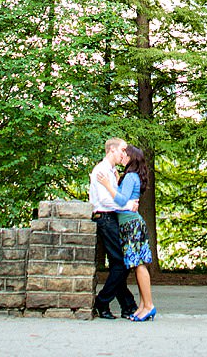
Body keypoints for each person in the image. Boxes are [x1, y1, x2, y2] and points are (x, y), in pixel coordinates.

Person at [97, 144, 156, 321]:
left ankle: (149, 306)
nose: (122, 155)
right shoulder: (129, 176)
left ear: (131, 158)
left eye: (125, 153)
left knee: (139, 265)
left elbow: (122, 200)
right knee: (135, 265)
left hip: (131, 224)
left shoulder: (131, 176)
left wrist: (108, 185)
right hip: (128, 223)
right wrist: (116, 179)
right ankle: (143, 306)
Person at [89, 137, 137, 320]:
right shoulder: (101, 170)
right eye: (122, 150)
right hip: (105, 218)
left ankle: (127, 306)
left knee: (120, 264)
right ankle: (102, 301)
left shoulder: (111, 171)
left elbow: (113, 195)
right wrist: (128, 206)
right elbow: (106, 201)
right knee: (121, 264)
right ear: (111, 150)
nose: (124, 154)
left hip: (110, 218)